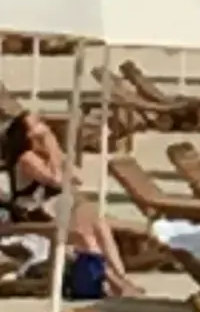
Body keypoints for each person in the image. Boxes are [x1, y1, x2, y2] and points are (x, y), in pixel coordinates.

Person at [5, 111, 126, 294]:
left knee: (100, 224)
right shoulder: (26, 158)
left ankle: (122, 277)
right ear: (27, 134)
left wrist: (55, 150)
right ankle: (111, 284)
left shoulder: (44, 153)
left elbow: (77, 177)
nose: (44, 127)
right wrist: (51, 146)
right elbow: (56, 180)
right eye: (37, 124)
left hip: (51, 210)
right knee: (84, 236)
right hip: (32, 216)